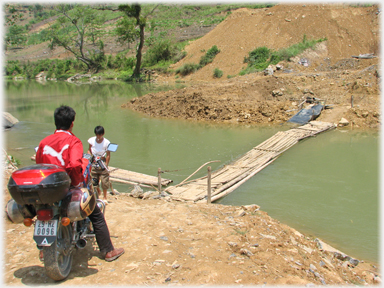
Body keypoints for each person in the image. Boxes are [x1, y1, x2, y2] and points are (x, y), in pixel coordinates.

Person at [35, 105, 124, 262]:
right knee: (96, 214)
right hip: (66, 188)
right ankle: (108, 251)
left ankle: (43, 249)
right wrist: (77, 185)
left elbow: (39, 165)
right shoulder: (73, 141)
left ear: (55, 122)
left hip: (46, 190)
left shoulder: (44, 142)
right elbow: (75, 165)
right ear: (72, 123)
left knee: (43, 215)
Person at [87, 126, 111, 203]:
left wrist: (106, 165)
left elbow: (108, 155)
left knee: (104, 180)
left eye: (100, 135)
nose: (98, 137)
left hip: (102, 161)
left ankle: (105, 197)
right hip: (94, 161)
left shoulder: (107, 142)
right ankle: (96, 194)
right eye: (97, 135)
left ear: (103, 134)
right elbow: (89, 150)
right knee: (93, 179)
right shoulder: (91, 140)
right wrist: (89, 158)